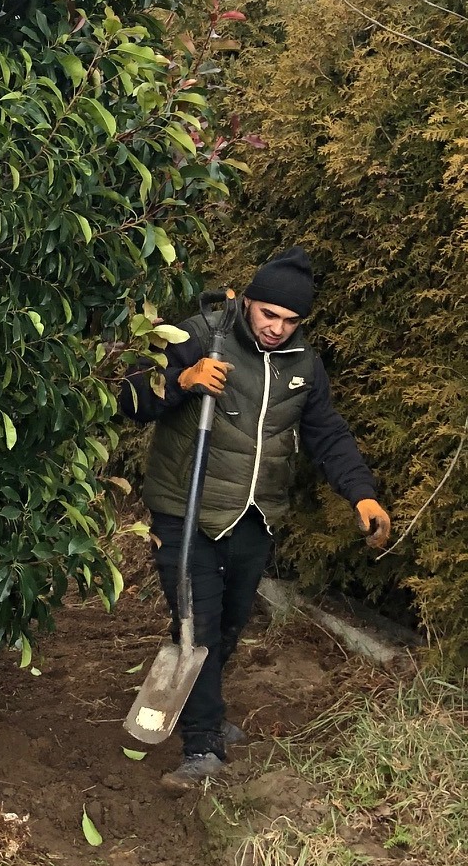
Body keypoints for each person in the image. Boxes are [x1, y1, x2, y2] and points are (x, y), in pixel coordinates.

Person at [121, 246, 390, 794]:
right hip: (185, 508)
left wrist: (361, 494)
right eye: (269, 314)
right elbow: (129, 398)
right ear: (247, 303)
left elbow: (327, 434)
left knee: (231, 622)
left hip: (252, 514)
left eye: (291, 320)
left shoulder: (303, 364)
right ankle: (200, 745)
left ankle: (208, 709)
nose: (276, 328)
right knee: (197, 623)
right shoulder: (197, 335)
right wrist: (182, 381)